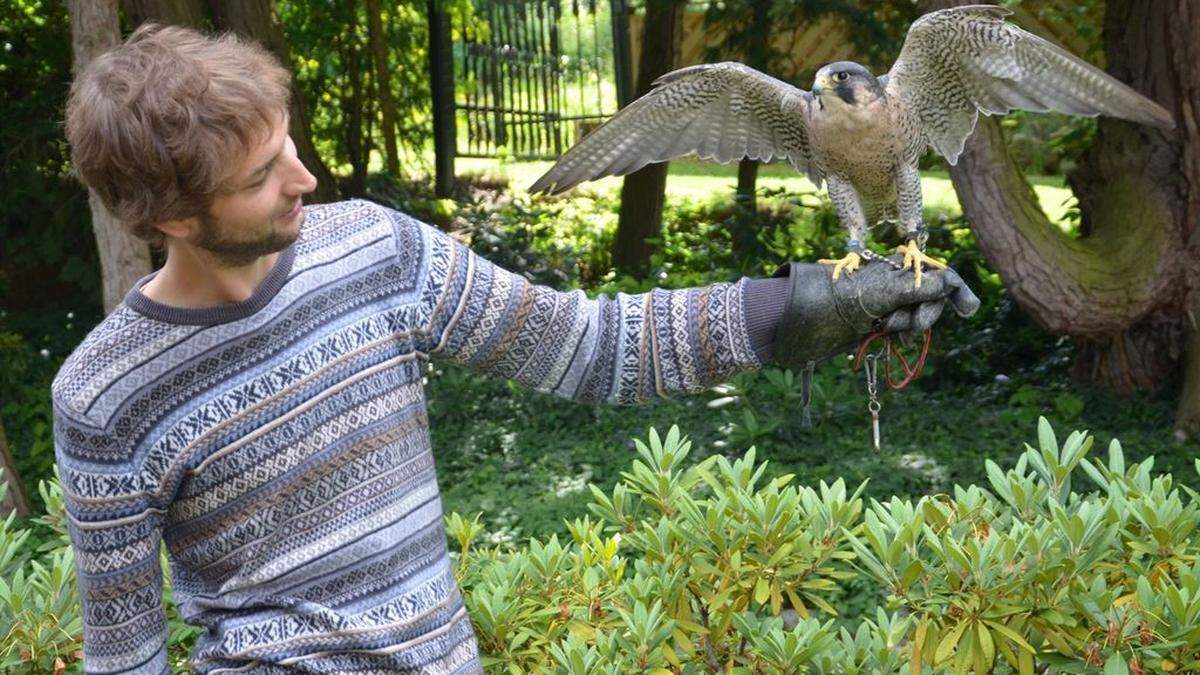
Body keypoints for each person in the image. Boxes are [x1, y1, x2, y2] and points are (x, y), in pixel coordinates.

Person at [56, 24, 978, 675]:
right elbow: (126, 657)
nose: (305, 178)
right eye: (263, 176)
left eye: (288, 144)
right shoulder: (103, 398)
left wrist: (810, 304)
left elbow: (584, 344)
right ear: (173, 216)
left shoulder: (373, 249)